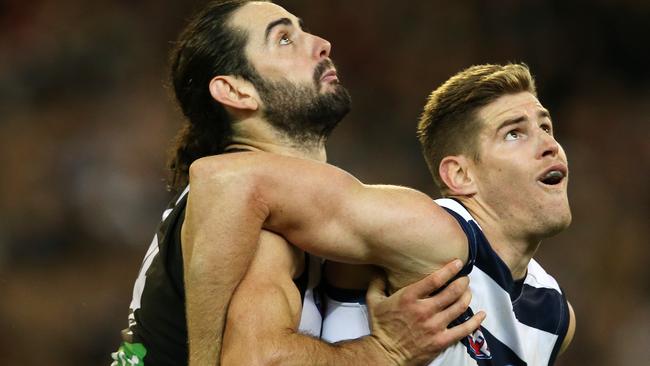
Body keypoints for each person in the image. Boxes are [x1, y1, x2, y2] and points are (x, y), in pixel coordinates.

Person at [112, 1, 484, 365]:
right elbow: (257, 360)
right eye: (284, 39)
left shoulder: (263, 201)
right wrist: (385, 352)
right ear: (236, 91)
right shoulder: (256, 218)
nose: (322, 43)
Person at [189, 63, 576, 365]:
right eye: (514, 133)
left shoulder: (555, 316)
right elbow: (225, 179)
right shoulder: (436, 234)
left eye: (546, 126)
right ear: (460, 175)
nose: (549, 145)